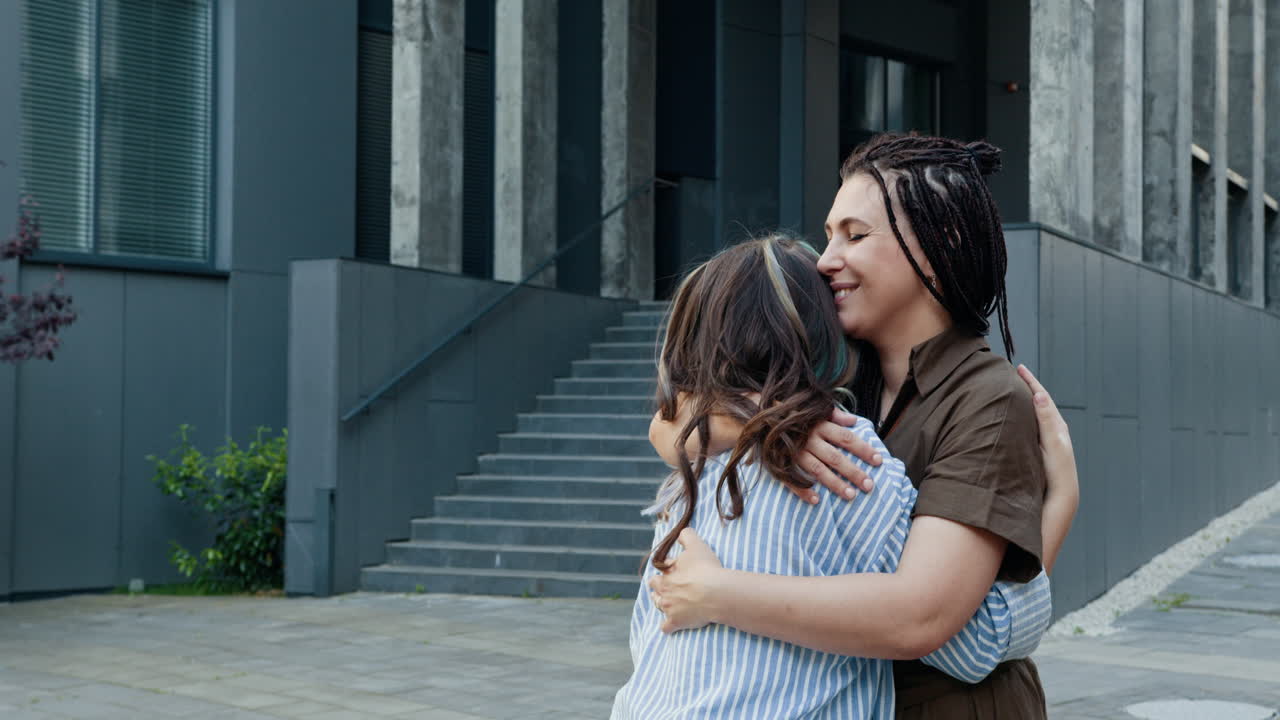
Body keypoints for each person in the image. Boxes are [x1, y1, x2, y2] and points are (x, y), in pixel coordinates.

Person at [646, 133, 1080, 718]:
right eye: (829, 235)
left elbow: (922, 617)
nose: (826, 260)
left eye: (855, 235)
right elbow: (668, 424)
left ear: (940, 243)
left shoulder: (986, 397)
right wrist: (767, 427)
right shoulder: (834, 373)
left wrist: (717, 594)